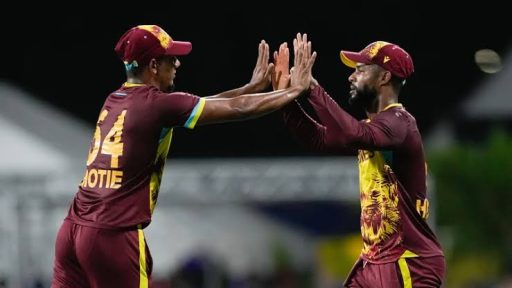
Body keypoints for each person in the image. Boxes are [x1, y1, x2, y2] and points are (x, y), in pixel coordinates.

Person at [51, 25, 316, 288]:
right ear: (153, 65)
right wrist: (294, 91)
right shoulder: (158, 104)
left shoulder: (115, 99)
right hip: (111, 236)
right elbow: (236, 109)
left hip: (72, 231)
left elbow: (209, 103)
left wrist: (251, 87)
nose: (177, 63)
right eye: (170, 58)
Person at [273, 34, 445, 287]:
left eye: (361, 70)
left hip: (409, 262)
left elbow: (352, 134)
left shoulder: (401, 122)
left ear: (384, 77)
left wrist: (312, 89)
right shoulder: (373, 130)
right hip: (374, 261)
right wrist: (285, 100)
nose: (351, 76)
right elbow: (319, 139)